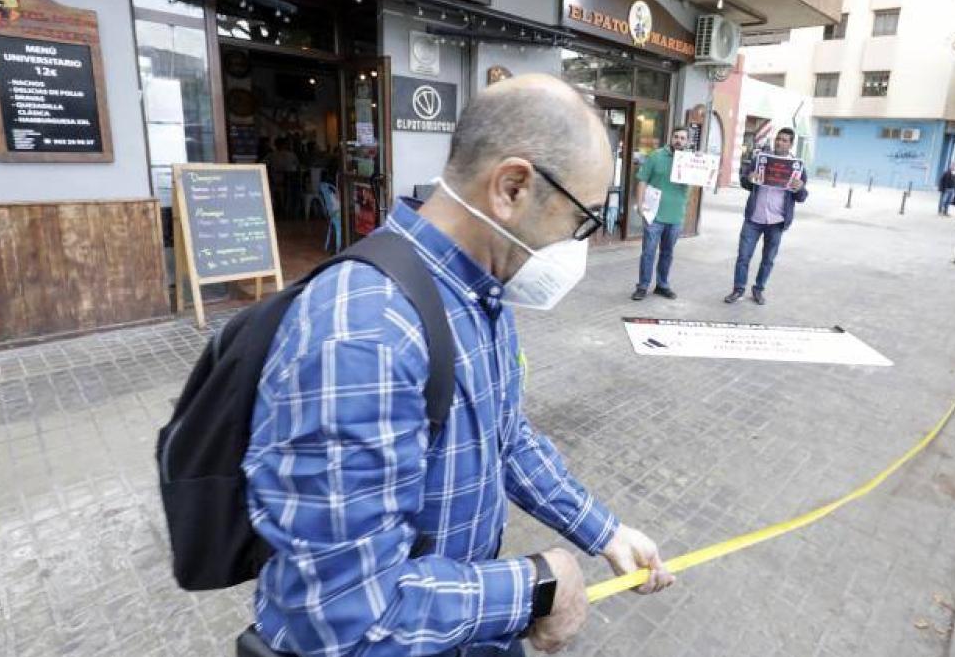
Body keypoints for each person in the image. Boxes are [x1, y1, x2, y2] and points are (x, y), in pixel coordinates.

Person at [243, 75, 674, 657]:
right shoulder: (364, 335)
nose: (582, 245)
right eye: (584, 220)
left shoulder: (479, 291)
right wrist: (536, 587)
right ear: (513, 187)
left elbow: (505, 436)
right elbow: (341, 613)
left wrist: (603, 530)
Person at [724, 127, 809, 305]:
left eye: (785, 140)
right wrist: (749, 178)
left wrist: (799, 187)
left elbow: (801, 197)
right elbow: (744, 181)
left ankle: (758, 289)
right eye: (778, 139)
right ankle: (738, 289)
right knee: (743, 256)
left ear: (791, 144)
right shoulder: (760, 160)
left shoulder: (797, 166)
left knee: (768, 259)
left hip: (777, 221)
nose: (780, 142)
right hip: (754, 218)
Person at [631, 127, 691, 301]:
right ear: (671, 138)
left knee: (667, 253)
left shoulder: (690, 162)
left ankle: (662, 285)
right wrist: (640, 204)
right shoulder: (656, 156)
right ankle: (643, 286)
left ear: (687, 142)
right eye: (676, 137)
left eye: (682, 138)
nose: (679, 140)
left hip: (675, 216)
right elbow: (642, 180)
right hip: (654, 215)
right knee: (648, 252)